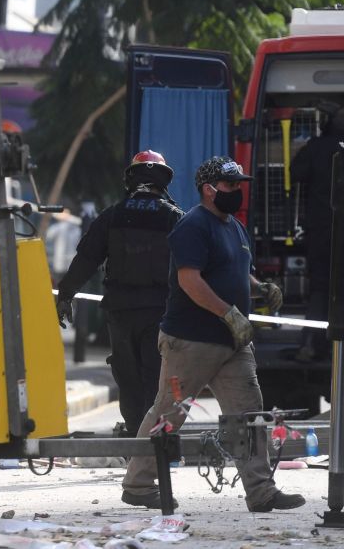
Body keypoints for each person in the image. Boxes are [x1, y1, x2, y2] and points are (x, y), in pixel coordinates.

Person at [120, 156, 303, 512]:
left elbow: (236, 269)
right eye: (232, 186)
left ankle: (261, 491)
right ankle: (138, 484)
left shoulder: (233, 226)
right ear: (209, 189)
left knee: (248, 415)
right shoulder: (193, 225)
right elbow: (190, 280)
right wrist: (228, 314)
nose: (238, 191)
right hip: (192, 342)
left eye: (238, 185)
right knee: (168, 412)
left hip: (232, 342)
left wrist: (260, 287)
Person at [55, 150, 184, 437]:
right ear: (163, 180)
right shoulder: (174, 218)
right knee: (157, 379)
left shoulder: (112, 216)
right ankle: (156, 446)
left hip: (121, 314)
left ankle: (136, 446)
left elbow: (86, 259)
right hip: (159, 314)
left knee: (128, 380)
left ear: (131, 178)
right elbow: (191, 268)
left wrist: (65, 295)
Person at [284, 107, 344, 362]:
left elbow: (296, 173)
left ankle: (310, 344)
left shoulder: (317, 147)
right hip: (325, 229)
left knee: (320, 288)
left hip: (323, 230)